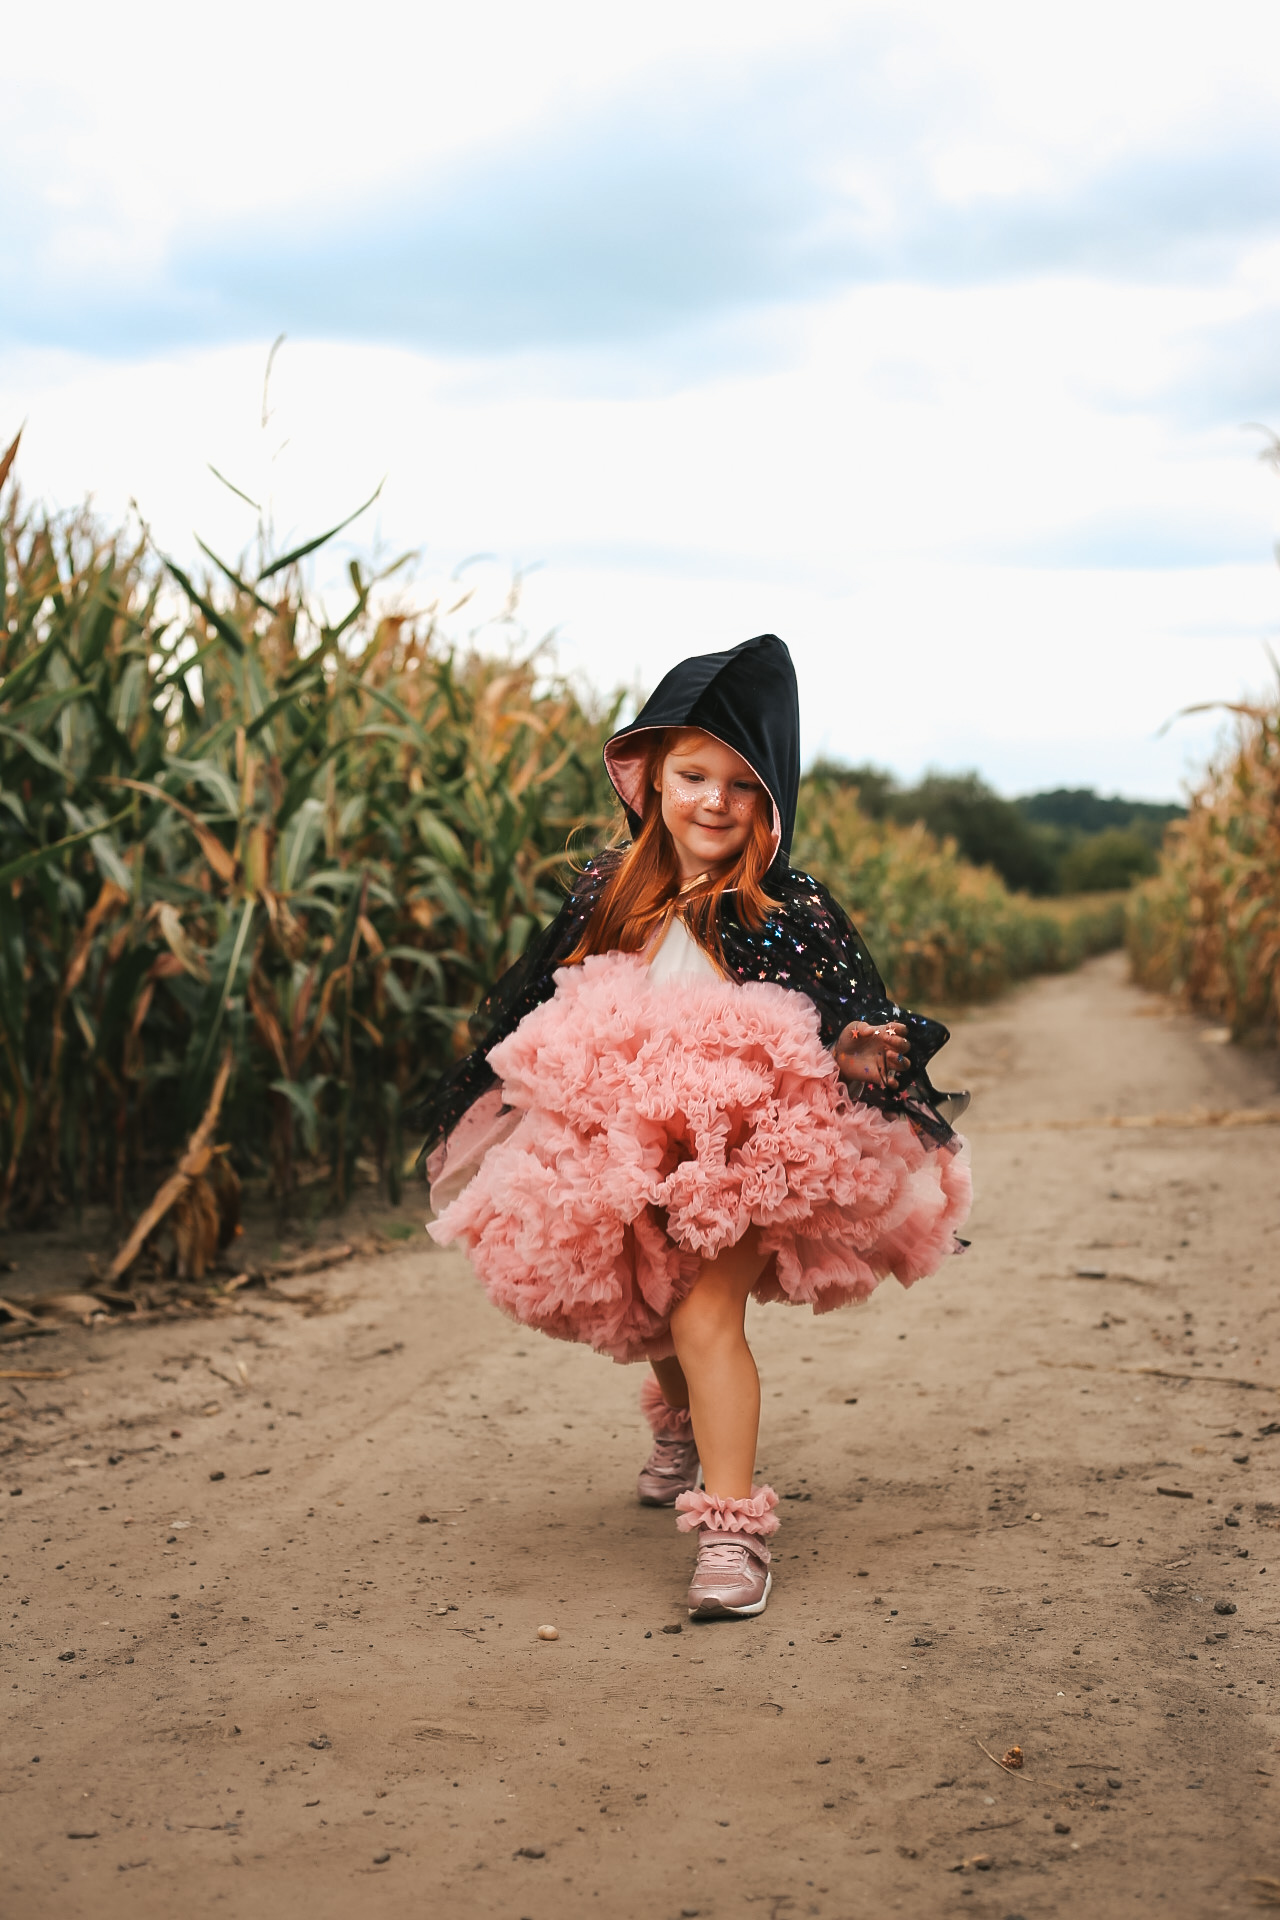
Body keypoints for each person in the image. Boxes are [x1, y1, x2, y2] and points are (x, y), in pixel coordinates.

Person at [419, 635, 970, 1621]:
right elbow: (546, 992)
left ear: (769, 801)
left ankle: (731, 1528)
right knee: (657, 1298)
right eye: (691, 776)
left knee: (705, 1311)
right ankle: (676, 1424)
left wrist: (854, 1052)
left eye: (739, 784)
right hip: (631, 1131)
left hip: (748, 1142)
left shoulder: (779, 904)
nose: (712, 801)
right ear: (651, 781)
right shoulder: (610, 887)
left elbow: (843, 1006)